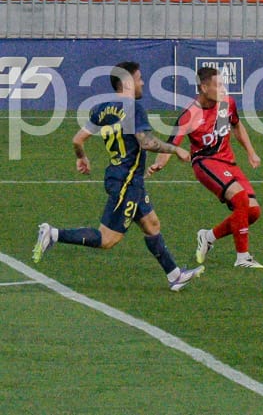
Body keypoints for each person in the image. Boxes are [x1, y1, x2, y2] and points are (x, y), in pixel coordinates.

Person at [32, 61, 204, 292]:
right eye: (139, 78)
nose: (143, 82)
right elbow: (146, 142)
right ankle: (53, 234)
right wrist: (176, 149)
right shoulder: (133, 108)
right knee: (107, 239)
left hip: (125, 177)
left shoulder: (101, 108)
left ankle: (175, 275)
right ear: (127, 82)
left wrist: (81, 157)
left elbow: (77, 139)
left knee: (152, 224)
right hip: (126, 181)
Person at [150, 66, 263, 269]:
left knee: (253, 212)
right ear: (204, 87)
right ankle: (243, 257)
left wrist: (250, 151)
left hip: (228, 161)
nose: (223, 89)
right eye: (218, 85)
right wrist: (160, 163)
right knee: (240, 199)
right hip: (205, 162)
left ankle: (208, 236)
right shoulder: (190, 114)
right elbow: (171, 144)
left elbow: (236, 125)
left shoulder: (227, 103)